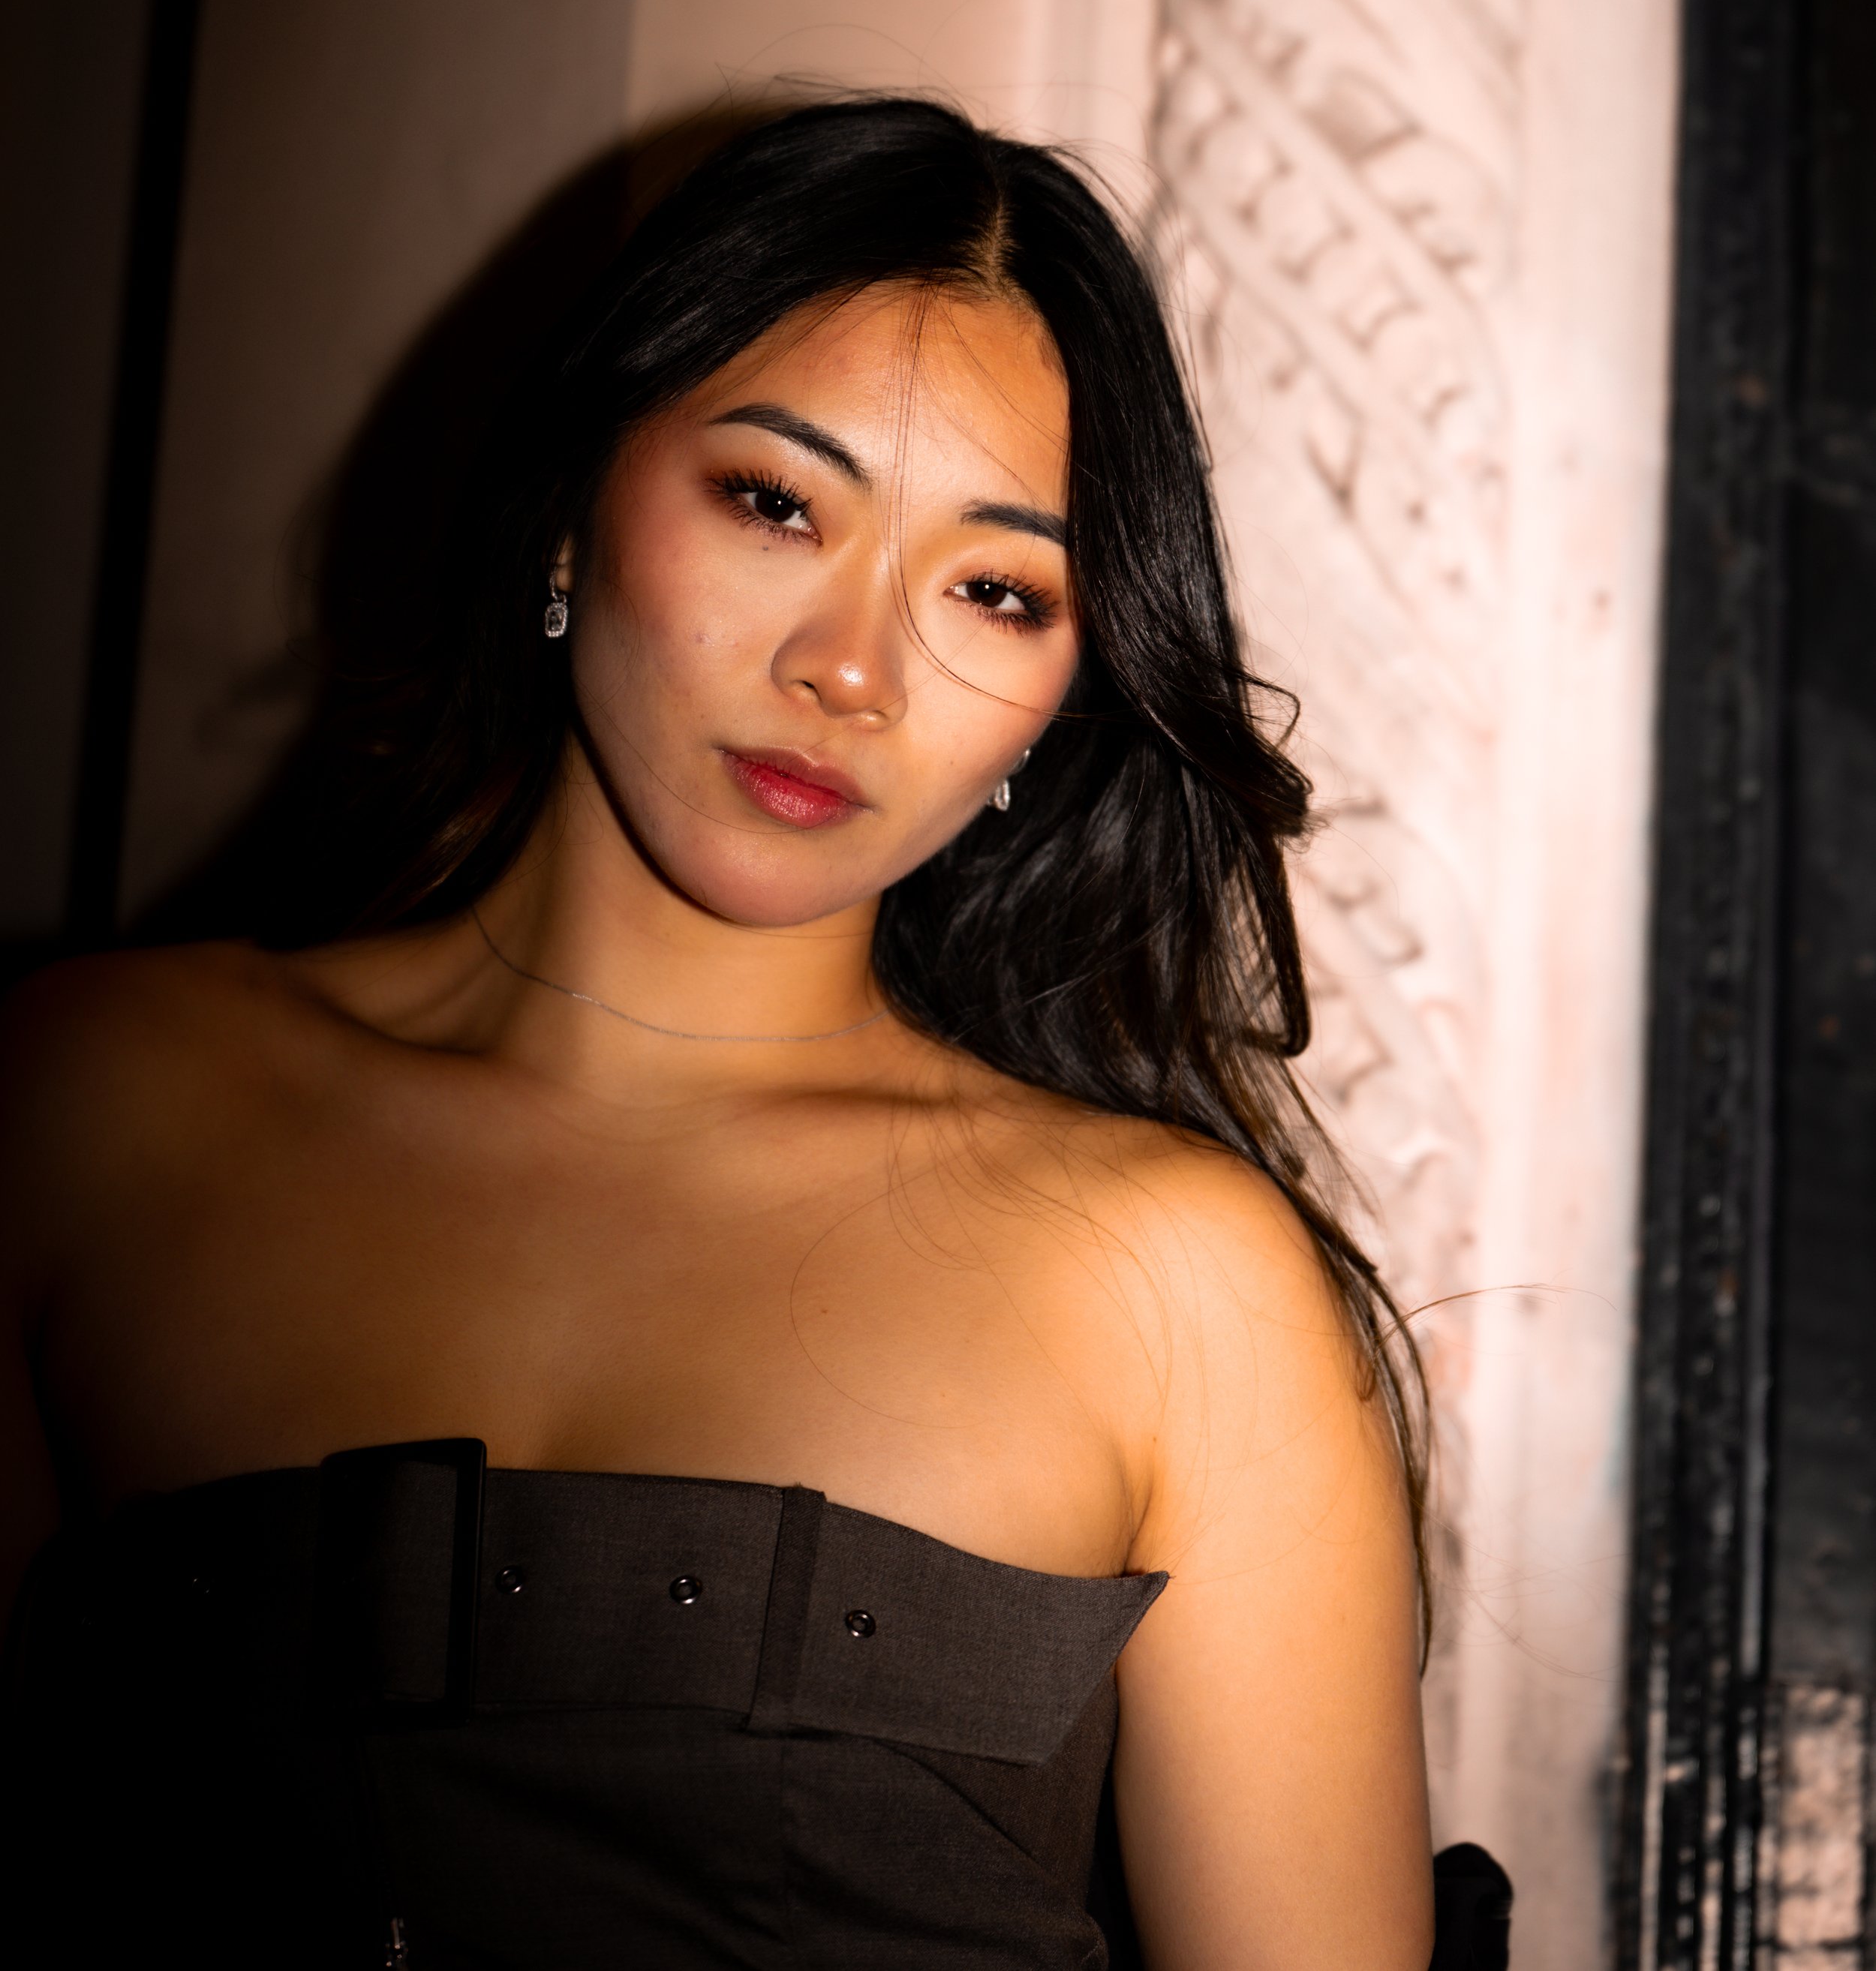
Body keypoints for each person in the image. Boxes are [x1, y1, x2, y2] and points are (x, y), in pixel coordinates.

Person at [0, 97, 1459, 1969]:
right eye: (776, 501)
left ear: (1058, 699)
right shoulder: (90, 1108)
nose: (848, 668)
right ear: (569, 501)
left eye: (991, 590)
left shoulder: (1176, 1292)